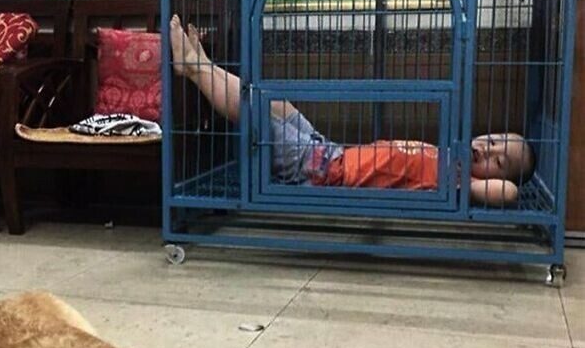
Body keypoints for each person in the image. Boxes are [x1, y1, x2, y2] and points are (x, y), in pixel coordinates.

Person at [169, 15, 535, 207]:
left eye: (498, 161)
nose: (487, 149)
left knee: (259, 117)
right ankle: (202, 65)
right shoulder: (450, 157)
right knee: (277, 102)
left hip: (322, 173)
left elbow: (508, 193)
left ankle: (196, 69)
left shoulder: (459, 183)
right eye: (492, 140)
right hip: (330, 153)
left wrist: (478, 182)